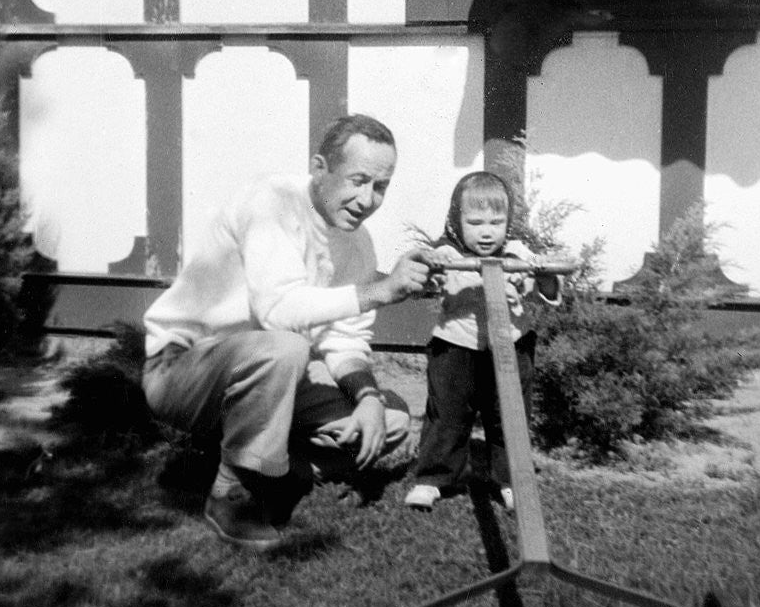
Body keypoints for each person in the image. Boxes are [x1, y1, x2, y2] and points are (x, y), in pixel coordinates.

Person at [142, 115, 430, 551]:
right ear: (320, 167)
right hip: (184, 368)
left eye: (380, 186)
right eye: (358, 180)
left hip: (270, 374)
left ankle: (279, 466)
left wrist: (367, 397)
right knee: (287, 347)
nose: (367, 199)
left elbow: (345, 339)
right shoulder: (272, 201)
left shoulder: (358, 242)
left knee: (388, 419)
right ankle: (231, 494)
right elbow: (277, 311)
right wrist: (380, 291)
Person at [404, 171, 561, 512]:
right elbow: (424, 278)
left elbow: (547, 292)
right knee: (447, 414)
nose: (487, 231)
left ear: (508, 222)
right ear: (457, 222)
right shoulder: (445, 252)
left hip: (511, 344)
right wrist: (433, 267)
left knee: (509, 414)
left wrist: (543, 273)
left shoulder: (519, 252)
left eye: (496, 221)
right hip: (455, 345)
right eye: (475, 222)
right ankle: (433, 478)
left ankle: (511, 480)